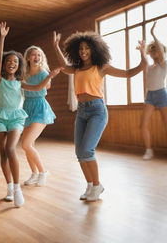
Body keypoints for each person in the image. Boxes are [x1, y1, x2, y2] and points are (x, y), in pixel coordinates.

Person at [53, 30, 147, 201]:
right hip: (82, 111)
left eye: (87, 48)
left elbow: (128, 73)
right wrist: (55, 47)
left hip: (97, 111)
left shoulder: (102, 67)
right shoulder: (77, 69)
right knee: (79, 152)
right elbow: (63, 66)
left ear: (94, 50)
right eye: (80, 49)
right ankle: (90, 186)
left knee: (87, 150)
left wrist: (142, 54)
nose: (83, 51)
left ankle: (97, 185)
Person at [0, 22, 60, 207]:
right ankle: (9, 187)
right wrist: (2, 38)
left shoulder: (21, 83)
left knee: (12, 149)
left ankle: (17, 188)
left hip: (17, 117)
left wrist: (50, 76)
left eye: (15, 62)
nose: (11, 64)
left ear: (19, 66)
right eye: (9, 61)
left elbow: (38, 87)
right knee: (3, 154)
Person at [21, 46, 56, 187]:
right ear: (28, 58)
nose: (36, 57)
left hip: (40, 108)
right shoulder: (24, 74)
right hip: (27, 108)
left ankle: (42, 172)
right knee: (28, 146)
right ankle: (34, 174)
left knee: (26, 144)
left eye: (39, 55)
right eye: (34, 55)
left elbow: (46, 87)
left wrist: (48, 76)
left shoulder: (43, 73)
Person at [141, 21, 167, 160]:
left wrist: (152, 33)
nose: (154, 51)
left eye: (156, 49)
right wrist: (141, 50)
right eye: (152, 49)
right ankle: (149, 150)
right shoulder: (149, 66)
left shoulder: (164, 64)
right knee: (143, 124)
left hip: (162, 94)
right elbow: (143, 59)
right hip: (150, 95)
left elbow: (161, 51)